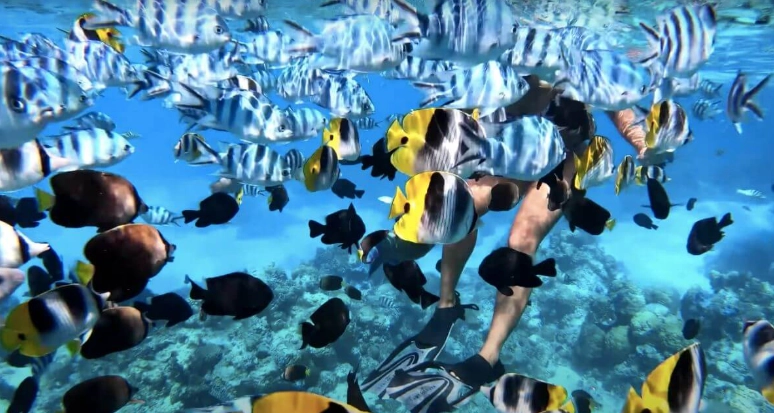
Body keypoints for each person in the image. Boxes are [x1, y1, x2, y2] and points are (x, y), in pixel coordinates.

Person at [361, 77, 649, 411]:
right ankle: (446, 304)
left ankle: (489, 356)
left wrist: (639, 139)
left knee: (522, 239)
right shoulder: (498, 42)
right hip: (507, 146)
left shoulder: (568, 50)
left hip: (564, 152)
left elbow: (614, 91)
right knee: (462, 202)